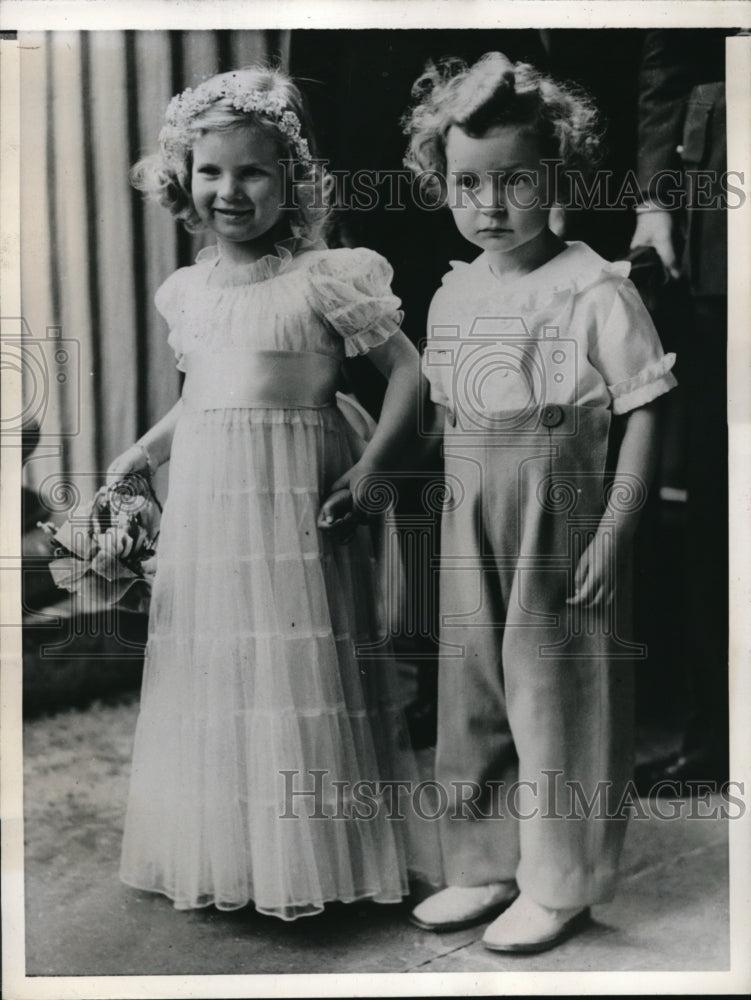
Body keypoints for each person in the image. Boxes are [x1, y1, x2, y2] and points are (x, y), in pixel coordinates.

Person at [106, 66, 439, 921]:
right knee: (222, 663)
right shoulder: (187, 291)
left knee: (303, 663)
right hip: (216, 504)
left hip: (296, 496)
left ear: (291, 179)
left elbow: (408, 372)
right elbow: (204, 399)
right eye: (211, 171)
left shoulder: (329, 276)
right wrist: (141, 455)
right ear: (184, 178)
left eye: (252, 171)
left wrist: (372, 470)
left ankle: (320, 855)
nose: (229, 190)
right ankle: (235, 850)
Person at [402, 52, 677, 952]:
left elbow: (643, 412)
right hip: (471, 518)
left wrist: (615, 527)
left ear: (558, 177)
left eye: (515, 180)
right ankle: (481, 864)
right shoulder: (451, 295)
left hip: (557, 523)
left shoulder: (593, 287)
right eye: (468, 183)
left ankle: (559, 881)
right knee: (470, 693)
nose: (489, 204)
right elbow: (450, 423)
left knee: (557, 699)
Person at [630, 29, 731, 791]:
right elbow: (673, 57)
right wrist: (656, 197)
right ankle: (719, 730)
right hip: (725, 206)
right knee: (722, 482)